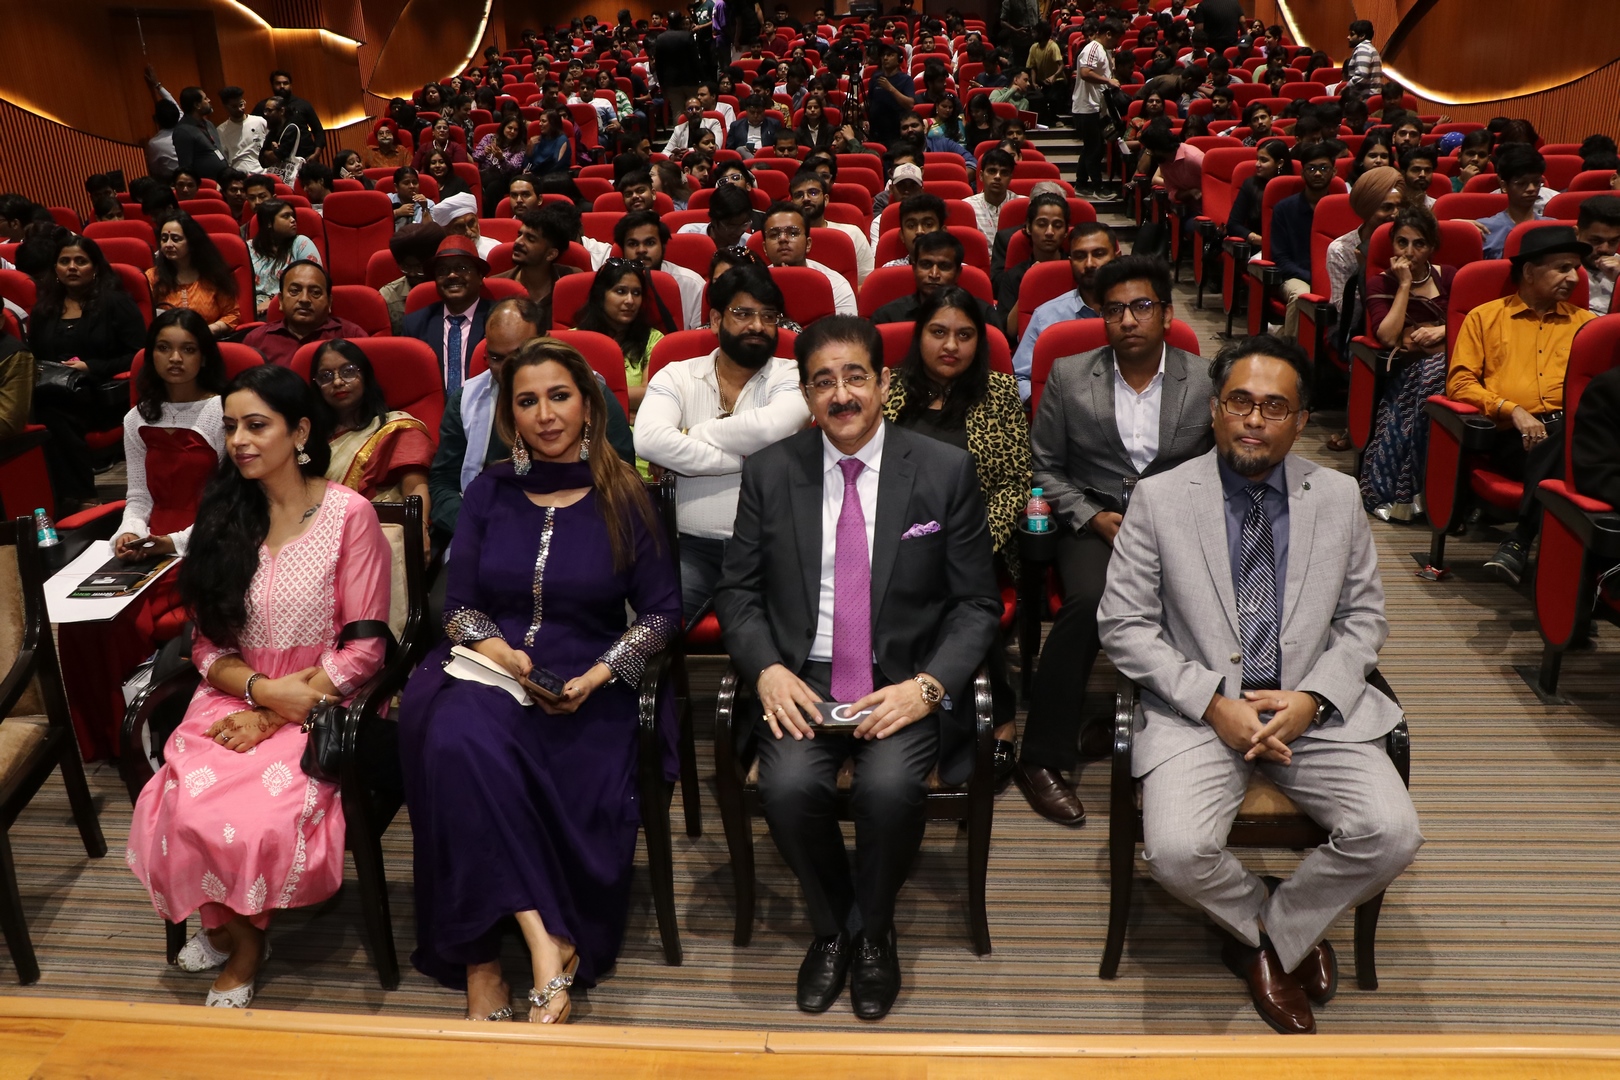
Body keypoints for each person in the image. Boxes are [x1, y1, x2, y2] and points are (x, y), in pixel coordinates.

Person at [1098, 333, 1421, 1034]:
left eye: (1274, 407)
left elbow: (1364, 618)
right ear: (1215, 410)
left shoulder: (1336, 495)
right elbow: (1123, 625)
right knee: (1177, 853)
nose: (1253, 419)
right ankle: (1278, 931)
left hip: (1311, 713)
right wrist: (1213, 703)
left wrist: (1313, 699)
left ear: (1300, 421)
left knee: (1393, 833)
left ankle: (1271, 939)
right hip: (1198, 713)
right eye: (1239, 401)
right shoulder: (1159, 497)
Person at [714, 315, 1000, 1021]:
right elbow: (738, 593)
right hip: (803, 676)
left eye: (854, 377)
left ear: (883, 383)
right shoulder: (770, 471)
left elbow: (976, 605)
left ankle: (873, 931)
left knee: (890, 789)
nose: (841, 395)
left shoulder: (942, 469)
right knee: (786, 790)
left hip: (902, 678)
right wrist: (766, 671)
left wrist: (927, 687)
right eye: (823, 382)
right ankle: (833, 925)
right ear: (806, 395)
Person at [400, 336, 678, 1023]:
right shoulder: (489, 492)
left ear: (588, 406)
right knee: (457, 739)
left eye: (559, 396)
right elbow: (457, 606)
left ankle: (493, 953)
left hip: (587, 684)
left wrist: (601, 673)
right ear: (510, 417)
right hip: (485, 672)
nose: (546, 414)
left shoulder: (626, 494)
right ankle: (522, 947)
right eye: (528, 401)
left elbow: (663, 613)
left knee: (477, 758)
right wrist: (499, 651)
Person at [126, 363, 391, 1008]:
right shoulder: (224, 516)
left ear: (299, 432)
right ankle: (232, 929)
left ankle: (243, 944)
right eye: (232, 427)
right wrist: (260, 694)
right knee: (182, 805)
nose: (240, 441)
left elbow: (365, 649)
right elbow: (206, 644)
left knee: (253, 819)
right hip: (234, 695)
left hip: (324, 699)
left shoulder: (349, 516)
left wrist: (275, 714)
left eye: (257, 425)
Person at [1015, 256, 1215, 824]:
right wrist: (1093, 516)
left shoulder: (1205, 380)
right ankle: (1041, 757)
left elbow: (1220, 463)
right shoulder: (1070, 375)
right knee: (1089, 602)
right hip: (1095, 522)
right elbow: (1044, 465)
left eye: (1142, 306)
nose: (1128, 319)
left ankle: (1160, 735)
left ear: (1167, 314)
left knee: (1205, 605)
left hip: (1179, 522)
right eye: (1115, 309)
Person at [59, 309, 227, 760]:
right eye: (164, 348)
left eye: (188, 349)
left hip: (204, 541)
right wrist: (129, 532)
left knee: (127, 620)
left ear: (204, 356)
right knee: (81, 618)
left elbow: (228, 505)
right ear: (150, 355)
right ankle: (103, 739)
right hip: (151, 544)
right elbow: (138, 496)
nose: (175, 359)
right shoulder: (137, 418)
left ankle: (138, 737)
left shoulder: (221, 412)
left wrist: (173, 543)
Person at [635, 266, 810, 620]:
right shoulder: (677, 374)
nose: (757, 325)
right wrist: (752, 459)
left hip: (770, 549)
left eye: (768, 316)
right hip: (690, 548)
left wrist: (689, 435)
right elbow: (649, 440)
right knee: (656, 627)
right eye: (743, 313)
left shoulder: (792, 375)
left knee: (790, 635)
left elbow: (772, 427)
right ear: (715, 320)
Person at [1448, 225, 1597, 584]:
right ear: (1529, 271)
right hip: (1515, 440)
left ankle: (1521, 538)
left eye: (1576, 269)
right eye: (1562, 268)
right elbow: (1460, 385)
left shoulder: (1588, 325)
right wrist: (1511, 409)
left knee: (1571, 438)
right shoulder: (1484, 318)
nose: (1574, 278)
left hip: (1576, 435)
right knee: (1570, 447)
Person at [427, 300, 634, 540]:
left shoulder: (591, 395)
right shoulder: (465, 402)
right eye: (496, 358)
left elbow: (622, 474)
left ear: (544, 342)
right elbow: (443, 484)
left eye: (519, 354)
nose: (509, 369)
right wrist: (481, 528)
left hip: (585, 529)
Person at [28, 234, 146, 510]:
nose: (72, 267)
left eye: (80, 261)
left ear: (95, 267)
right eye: (64, 261)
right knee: (39, 409)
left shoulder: (116, 303)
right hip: (53, 391)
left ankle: (81, 497)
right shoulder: (45, 309)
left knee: (50, 414)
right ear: (55, 268)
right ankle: (49, 498)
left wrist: (91, 367)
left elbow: (140, 355)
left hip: (102, 394)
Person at [1357, 206, 1456, 521]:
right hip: (1407, 371)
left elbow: (1474, 324)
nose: (1409, 252)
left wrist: (1444, 330)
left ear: (1431, 247)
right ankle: (1415, 493)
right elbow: (1387, 336)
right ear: (1392, 244)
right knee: (1432, 380)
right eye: (1402, 243)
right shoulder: (1380, 283)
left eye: (1419, 244)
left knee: (1442, 375)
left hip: (1453, 364)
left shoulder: (1449, 276)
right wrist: (1403, 285)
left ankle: (1442, 495)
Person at [310, 336, 434, 532]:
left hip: (381, 528)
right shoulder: (307, 436)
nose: (338, 381)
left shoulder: (396, 427)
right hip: (315, 531)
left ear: (365, 375)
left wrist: (419, 532)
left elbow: (416, 489)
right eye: (326, 376)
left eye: (348, 371)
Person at [1012, 222, 1118, 399]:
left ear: (1116, 256)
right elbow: (1018, 378)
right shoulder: (1046, 316)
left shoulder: (1136, 313)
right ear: (1070, 261)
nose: (1089, 264)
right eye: (1080, 256)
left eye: (1099, 254)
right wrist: (1055, 405)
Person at [571, 259, 664, 425]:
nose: (630, 300)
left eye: (636, 293)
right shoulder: (573, 340)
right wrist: (624, 411)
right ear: (601, 295)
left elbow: (652, 394)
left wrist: (590, 398)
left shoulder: (653, 339)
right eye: (621, 291)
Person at [401, 235, 491, 396]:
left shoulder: (498, 319)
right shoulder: (415, 324)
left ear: (479, 276)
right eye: (443, 271)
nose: (452, 275)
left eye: (461, 268)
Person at [1269, 143, 1340, 339]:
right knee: (1302, 296)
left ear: (1334, 172)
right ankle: (1292, 350)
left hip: (1335, 277)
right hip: (1296, 277)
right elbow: (1281, 259)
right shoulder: (1284, 209)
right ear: (1302, 173)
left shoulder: (1340, 209)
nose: (1318, 173)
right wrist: (1313, 278)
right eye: (1311, 168)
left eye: (1324, 168)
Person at [872, 229, 1003, 332]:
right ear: (914, 268)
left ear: (958, 273)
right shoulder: (887, 318)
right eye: (926, 265)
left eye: (944, 266)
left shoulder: (983, 316)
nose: (934, 274)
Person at [147, 213, 241, 338]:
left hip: (208, 340)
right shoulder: (152, 277)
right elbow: (144, 316)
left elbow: (232, 315)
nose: (168, 244)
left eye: (176, 239)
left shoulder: (213, 275)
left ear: (192, 242)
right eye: (164, 239)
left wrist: (207, 331)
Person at [492, 207, 582, 332]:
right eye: (519, 235)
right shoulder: (497, 286)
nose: (518, 242)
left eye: (530, 239)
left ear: (551, 254)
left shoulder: (573, 281)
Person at [759, 202, 857, 316]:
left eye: (793, 233)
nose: (783, 239)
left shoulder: (835, 286)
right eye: (774, 235)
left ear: (808, 244)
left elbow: (845, 327)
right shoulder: (752, 285)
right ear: (764, 248)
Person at [616, 211, 706, 332]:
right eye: (632, 244)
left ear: (663, 246)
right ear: (622, 249)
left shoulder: (692, 284)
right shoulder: (610, 286)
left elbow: (700, 337)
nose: (641, 250)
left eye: (650, 243)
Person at [995, 191, 1070, 326]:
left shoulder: (1076, 271)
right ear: (1029, 228)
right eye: (1041, 224)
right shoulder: (1013, 277)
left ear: (1065, 232)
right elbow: (1008, 330)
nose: (1049, 232)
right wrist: (1030, 284)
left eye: (1057, 225)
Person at [789, 169, 874, 284]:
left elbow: (867, 283)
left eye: (813, 192)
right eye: (799, 195)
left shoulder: (852, 234)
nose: (806, 198)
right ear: (792, 203)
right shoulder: (784, 239)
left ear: (826, 199)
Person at [1071, 20, 1123, 200]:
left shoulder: (1103, 50)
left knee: (1090, 148)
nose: (1116, 43)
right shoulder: (1092, 48)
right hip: (1086, 107)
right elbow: (1085, 73)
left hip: (1096, 106)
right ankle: (1098, 188)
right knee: (1095, 149)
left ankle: (1081, 184)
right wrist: (1108, 81)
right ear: (1107, 34)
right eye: (1116, 38)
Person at [247, 200, 321, 318]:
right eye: (286, 216)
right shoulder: (248, 248)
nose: (293, 220)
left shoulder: (301, 244)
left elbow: (312, 282)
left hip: (288, 308)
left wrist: (273, 302)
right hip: (252, 309)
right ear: (268, 223)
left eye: (292, 216)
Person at [376, 222, 444, 335]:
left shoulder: (451, 289)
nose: (412, 273)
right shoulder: (389, 296)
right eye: (406, 267)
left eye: (419, 267)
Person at [1227, 140, 1292, 249]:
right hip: (1258, 245)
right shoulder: (1250, 184)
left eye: (1264, 160)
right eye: (1257, 159)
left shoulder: (1295, 186)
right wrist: (1260, 240)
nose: (1257, 164)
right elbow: (1233, 225)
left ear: (1280, 163)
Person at [253, 70, 326, 152]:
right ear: (272, 85)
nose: (282, 86)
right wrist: (264, 153)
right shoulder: (263, 106)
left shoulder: (303, 105)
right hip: (275, 155)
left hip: (305, 153)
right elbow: (253, 131)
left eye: (285, 83)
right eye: (278, 83)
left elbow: (318, 131)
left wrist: (316, 153)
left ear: (291, 85)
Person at [474, 115, 530, 214]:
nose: (512, 131)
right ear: (503, 127)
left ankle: (490, 217)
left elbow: (514, 168)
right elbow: (475, 156)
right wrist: (484, 153)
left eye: (516, 130)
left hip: (505, 178)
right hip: (484, 174)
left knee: (493, 187)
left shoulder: (520, 147)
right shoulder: (489, 138)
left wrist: (502, 159)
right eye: (510, 128)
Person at [964, 148, 1017, 250]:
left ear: (1010, 178)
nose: (997, 176)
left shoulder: (1022, 205)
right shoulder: (968, 207)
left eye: (1004, 172)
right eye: (992, 171)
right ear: (981, 175)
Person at [1576, 196, 1620, 316]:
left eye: (1613, 241)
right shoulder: (1559, 271)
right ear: (1577, 233)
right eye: (1596, 240)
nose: (1605, 249)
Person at [679, 182, 756, 249]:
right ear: (714, 220)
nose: (739, 232)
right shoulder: (688, 235)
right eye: (732, 226)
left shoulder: (749, 243)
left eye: (744, 224)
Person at [867, 45, 917, 147]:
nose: (885, 58)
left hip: (896, 132)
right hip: (876, 131)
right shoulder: (876, 78)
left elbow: (910, 104)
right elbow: (870, 102)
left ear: (899, 59)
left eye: (890, 55)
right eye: (883, 55)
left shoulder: (906, 80)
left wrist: (890, 88)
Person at [218, 87, 268, 174]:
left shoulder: (259, 121)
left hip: (264, 171)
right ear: (226, 107)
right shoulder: (221, 130)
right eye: (234, 106)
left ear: (244, 102)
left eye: (241, 105)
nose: (239, 109)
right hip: (241, 175)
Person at [1341, 19, 1383, 101]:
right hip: (1372, 97)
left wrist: (1346, 87)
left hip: (1365, 99)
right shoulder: (1370, 48)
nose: (1348, 37)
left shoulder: (1362, 49)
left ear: (1362, 36)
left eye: (1352, 34)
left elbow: (1361, 75)